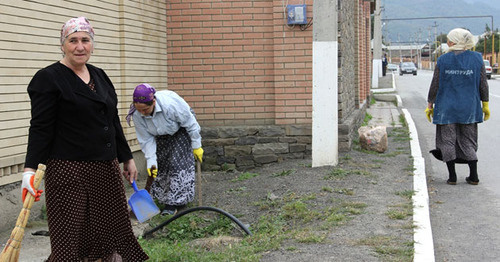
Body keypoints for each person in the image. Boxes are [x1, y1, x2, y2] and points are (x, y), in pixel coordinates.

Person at [21, 17, 149, 261]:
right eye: (73, 41)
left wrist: (126, 158)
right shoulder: (48, 78)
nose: (80, 46)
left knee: (110, 229)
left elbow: (111, 120)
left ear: (92, 44)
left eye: (85, 40)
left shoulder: (99, 75)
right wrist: (29, 170)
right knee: (70, 235)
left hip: (105, 168)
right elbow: (40, 128)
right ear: (63, 45)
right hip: (68, 169)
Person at [426, 28, 490, 186]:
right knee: (468, 141)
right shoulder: (477, 59)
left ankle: (452, 177)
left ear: (454, 42)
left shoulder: (442, 60)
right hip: (469, 108)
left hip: (446, 108)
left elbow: (435, 84)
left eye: (449, 40)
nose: (447, 42)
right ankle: (473, 176)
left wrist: (430, 104)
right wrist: (485, 104)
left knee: (447, 141)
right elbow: (483, 84)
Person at [126, 83, 203, 215]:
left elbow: (190, 123)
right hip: (159, 134)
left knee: (177, 165)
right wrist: (151, 162)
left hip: (180, 129)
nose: (142, 113)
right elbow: (146, 140)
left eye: (145, 109)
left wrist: (197, 145)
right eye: (139, 110)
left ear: (153, 102)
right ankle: (163, 198)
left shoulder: (171, 105)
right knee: (162, 165)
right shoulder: (138, 114)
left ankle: (174, 203)